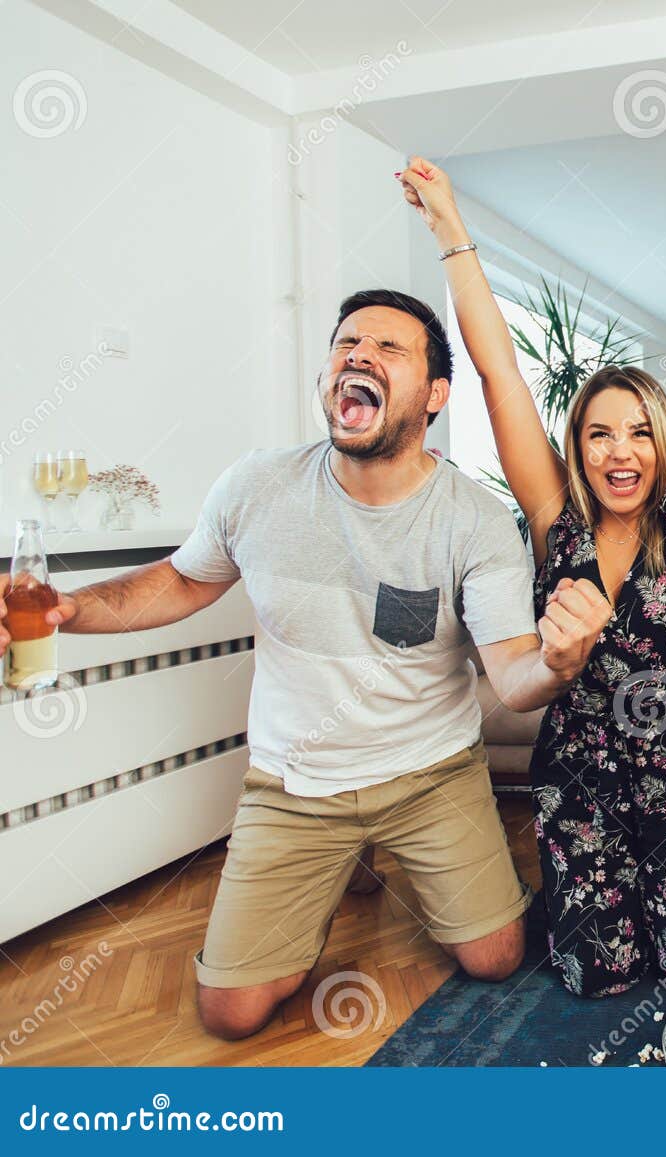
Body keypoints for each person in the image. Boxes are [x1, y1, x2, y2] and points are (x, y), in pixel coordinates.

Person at [0, 288, 613, 1040]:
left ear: (435, 396)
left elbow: (514, 677)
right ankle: (323, 878)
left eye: (389, 349)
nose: (358, 354)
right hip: (295, 782)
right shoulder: (257, 486)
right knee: (232, 1013)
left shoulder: (475, 519)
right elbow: (185, 579)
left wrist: (558, 663)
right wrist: (69, 609)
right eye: (347, 343)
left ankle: (426, 866)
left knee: (494, 956)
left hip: (431, 772)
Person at [396, 148, 666, 996]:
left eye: (638, 431)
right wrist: (452, 229)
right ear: (578, 447)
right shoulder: (555, 518)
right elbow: (499, 374)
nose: (620, 450)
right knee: (599, 976)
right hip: (578, 778)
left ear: (663, 442)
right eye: (599, 432)